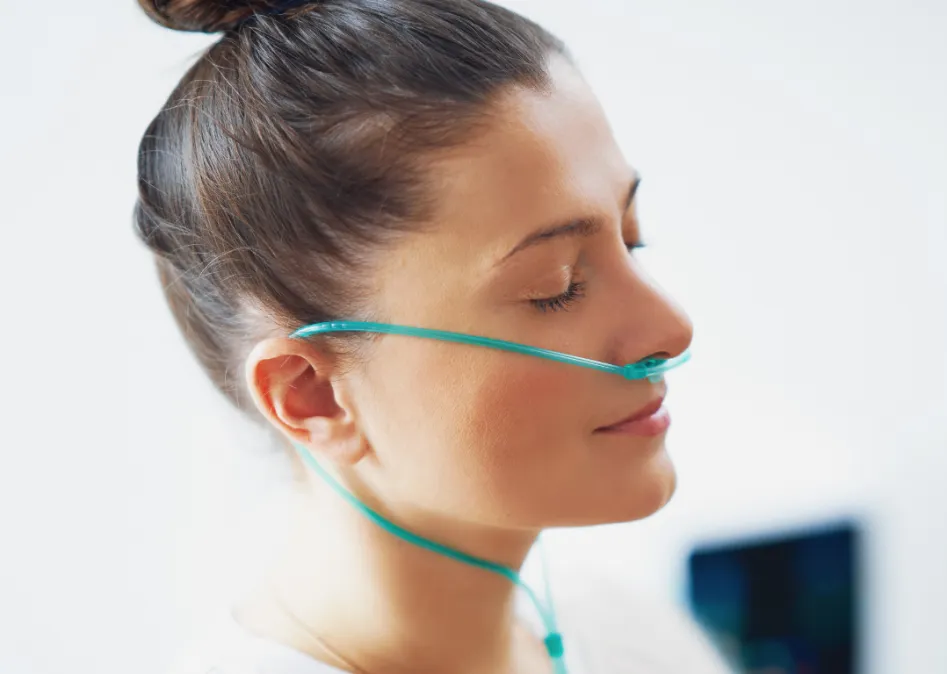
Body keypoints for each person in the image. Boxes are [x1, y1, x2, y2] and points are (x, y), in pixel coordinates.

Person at [134, 0, 729, 672]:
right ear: (312, 396)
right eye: (555, 285)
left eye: (632, 237)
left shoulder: (636, 638)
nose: (672, 330)